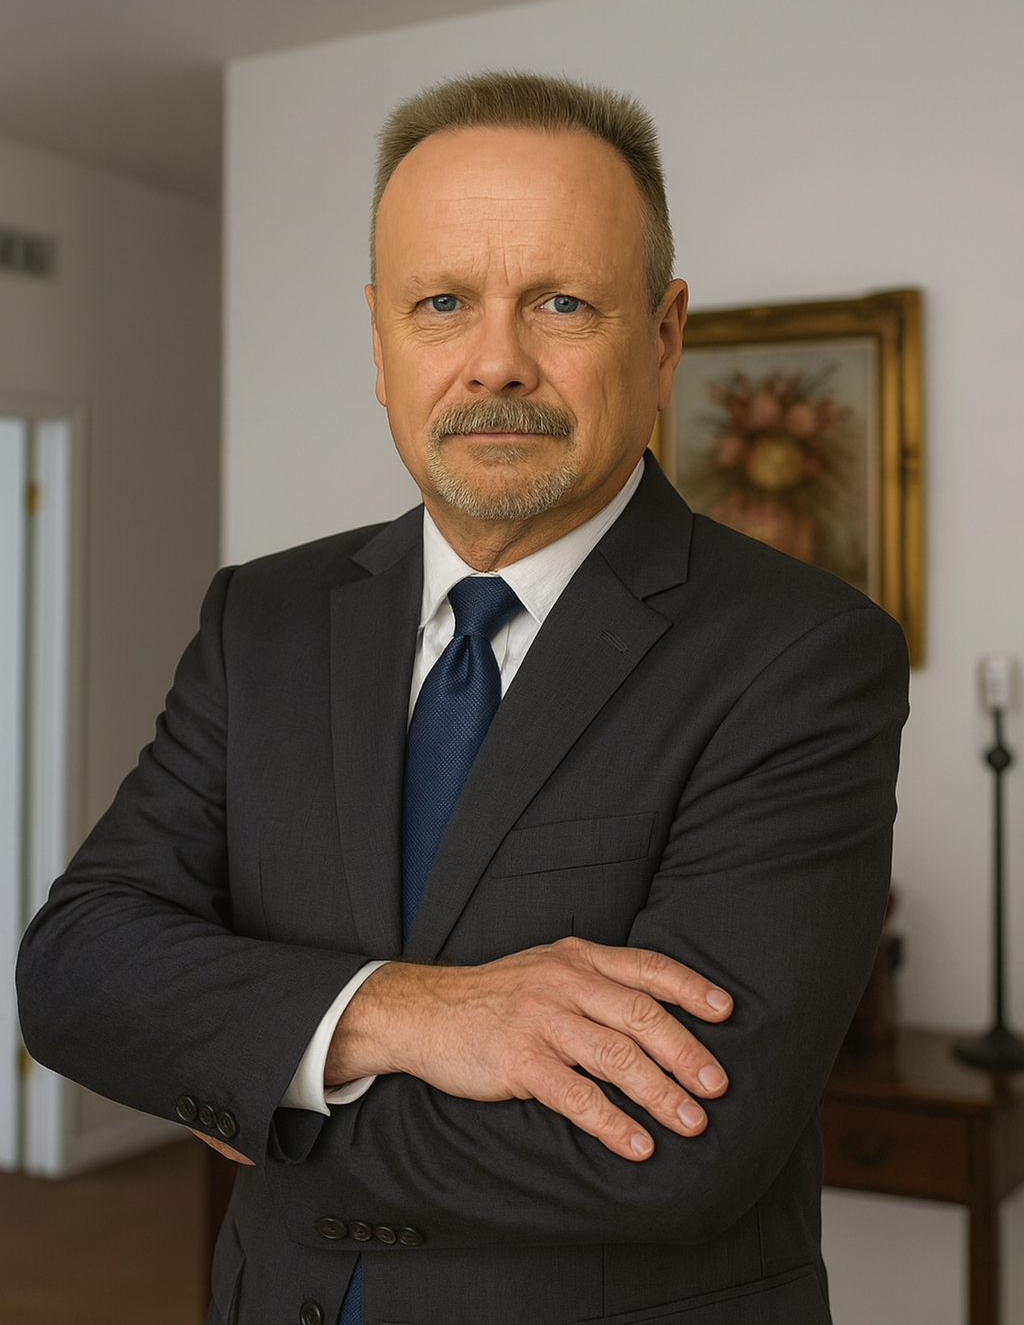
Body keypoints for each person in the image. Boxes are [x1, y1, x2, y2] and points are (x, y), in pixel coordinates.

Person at [17, 73, 909, 1325]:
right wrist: (401, 1013)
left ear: (661, 337)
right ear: (379, 342)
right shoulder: (260, 618)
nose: (497, 362)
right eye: (442, 304)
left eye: (560, 301)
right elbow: (76, 970)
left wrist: (272, 1082)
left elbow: (677, 1146)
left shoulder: (803, 654)